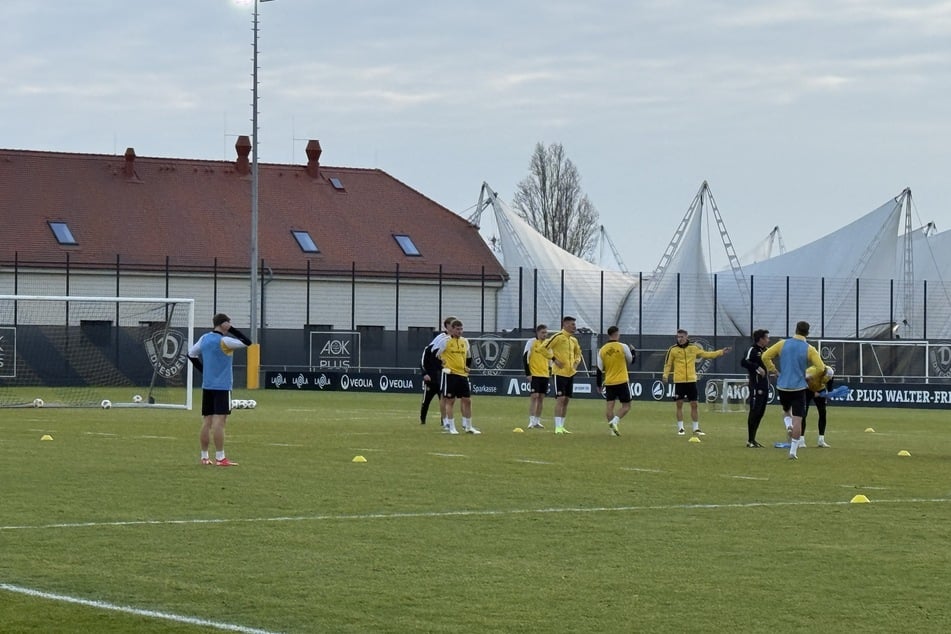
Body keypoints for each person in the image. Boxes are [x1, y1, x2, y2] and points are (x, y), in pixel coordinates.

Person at [187, 313, 251, 467]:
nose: (230, 325)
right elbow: (247, 342)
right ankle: (220, 458)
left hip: (207, 385)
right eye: (229, 322)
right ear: (223, 324)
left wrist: (204, 370)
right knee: (219, 422)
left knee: (207, 421)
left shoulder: (204, 338)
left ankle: (204, 456)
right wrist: (233, 330)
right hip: (222, 386)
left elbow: (191, 354)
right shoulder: (225, 341)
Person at [761, 320, 825, 460]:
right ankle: (793, 451)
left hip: (783, 385)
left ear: (795, 330)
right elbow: (821, 368)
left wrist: (774, 371)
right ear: (807, 332)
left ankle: (788, 426)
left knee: (786, 411)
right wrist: (809, 376)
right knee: (798, 418)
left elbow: (765, 356)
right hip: (798, 387)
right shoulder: (809, 348)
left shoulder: (782, 344)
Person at [662, 329, 731, 436]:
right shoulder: (673, 349)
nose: (679, 339)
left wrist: (721, 352)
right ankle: (681, 428)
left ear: (686, 337)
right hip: (679, 381)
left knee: (694, 404)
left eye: (681, 337)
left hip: (691, 380)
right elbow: (668, 364)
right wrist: (665, 375)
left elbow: (707, 355)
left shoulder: (694, 348)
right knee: (679, 404)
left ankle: (696, 428)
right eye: (678, 337)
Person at [432, 319, 480, 434]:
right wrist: (442, 364)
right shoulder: (445, 341)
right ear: (452, 329)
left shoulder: (465, 341)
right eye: (457, 329)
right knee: (450, 400)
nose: (460, 331)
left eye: (461, 329)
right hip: (450, 375)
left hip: (463, 375)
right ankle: (451, 427)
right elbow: (434, 354)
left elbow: (468, 356)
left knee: (467, 400)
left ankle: (469, 426)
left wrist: (467, 366)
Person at [544, 316, 582, 434]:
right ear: (565, 325)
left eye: (574, 324)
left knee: (566, 400)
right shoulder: (558, 337)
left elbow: (578, 353)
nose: (574, 327)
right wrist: (554, 359)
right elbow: (543, 348)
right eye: (572, 324)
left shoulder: (573, 340)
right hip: (559, 373)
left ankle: (562, 426)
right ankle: (557, 427)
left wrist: (576, 363)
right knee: (560, 399)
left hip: (570, 373)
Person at [596, 326, 635, 436]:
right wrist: (633, 351)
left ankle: (612, 431)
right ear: (617, 333)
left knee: (609, 407)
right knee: (626, 406)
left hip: (609, 382)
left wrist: (598, 384)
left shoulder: (602, 350)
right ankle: (615, 422)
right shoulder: (623, 346)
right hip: (622, 380)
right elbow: (631, 360)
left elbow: (599, 369)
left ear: (608, 334)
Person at [419, 315, 456, 425]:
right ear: (447, 326)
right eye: (452, 325)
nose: (454, 327)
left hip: (443, 376)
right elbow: (427, 353)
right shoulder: (441, 338)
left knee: (445, 399)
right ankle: (423, 420)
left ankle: (444, 422)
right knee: (427, 400)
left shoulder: (455, 340)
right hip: (432, 376)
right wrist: (425, 372)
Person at [523, 323, 558, 429]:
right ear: (537, 333)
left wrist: (551, 371)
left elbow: (551, 359)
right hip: (535, 374)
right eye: (543, 332)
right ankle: (531, 421)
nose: (544, 334)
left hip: (545, 374)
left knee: (541, 398)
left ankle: (537, 421)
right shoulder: (531, 342)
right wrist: (528, 373)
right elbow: (525, 357)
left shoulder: (548, 344)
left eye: (546, 332)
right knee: (534, 397)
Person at [740, 329, 770, 447]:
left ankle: (753, 439)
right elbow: (744, 362)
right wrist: (757, 368)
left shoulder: (766, 351)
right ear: (761, 339)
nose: (768, 340)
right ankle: (750, 440)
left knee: (761, 413)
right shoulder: (752, 350)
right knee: (754, 411)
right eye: (766, 337)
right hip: (756, 385)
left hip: (765, 385)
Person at [803, 365, 835, 448]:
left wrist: (828, 393)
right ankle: (800, 440)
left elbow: (830, 385)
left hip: (820, 389)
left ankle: (821, 440)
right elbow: (802, 383)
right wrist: (814, 394)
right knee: (803, 414)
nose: (826, 379)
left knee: (823, 413)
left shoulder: (830, 373)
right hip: (807, 389)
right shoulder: (811, 372)